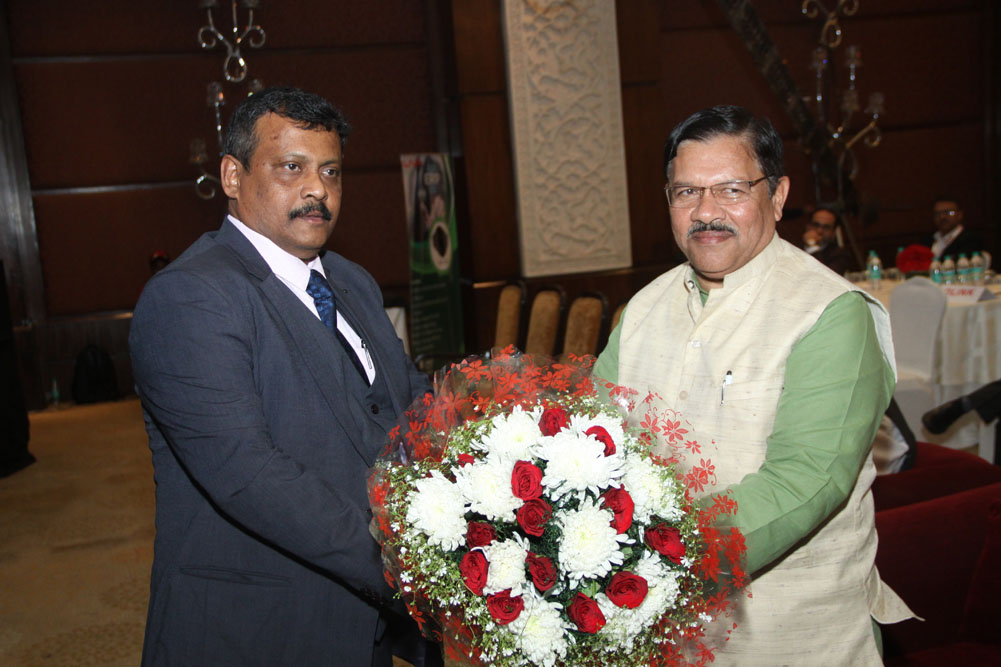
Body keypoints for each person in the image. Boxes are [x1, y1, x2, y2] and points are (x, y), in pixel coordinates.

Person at [594, 105, 913, 665]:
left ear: (780, 194)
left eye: (732, 189)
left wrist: (657, 555)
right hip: (656, 636)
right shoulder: (644, 308)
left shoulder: (829, 314)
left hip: (794, 639)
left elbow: (804, 481)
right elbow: (591, 438)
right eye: (686, 192)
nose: (706, 212)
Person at [130, 87, 432, 665]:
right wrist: (405, 563)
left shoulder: (353, 281)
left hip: (362, 625)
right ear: (233, 176)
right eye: (291, 167)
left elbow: (401, 400)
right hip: (254, 630)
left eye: (331, 171)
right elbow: (250, 474)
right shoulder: (191, 296)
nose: (317, 189)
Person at [801, 206, 854, 275]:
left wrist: (812, 246)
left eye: (826, 227)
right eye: (816, 225)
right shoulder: (792, 248)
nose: (820, 231)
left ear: (833, 233)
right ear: (808, 226)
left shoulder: (841, 254)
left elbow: (826, 278)